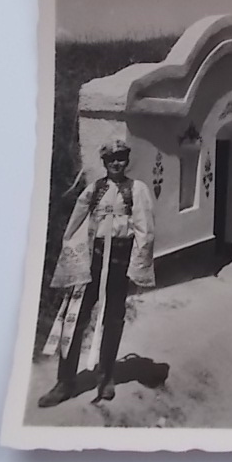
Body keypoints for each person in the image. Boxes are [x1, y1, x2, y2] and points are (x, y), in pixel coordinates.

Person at [38, 139, 155, 407]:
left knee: (113, 319)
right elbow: (75, 225)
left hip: (119, 263)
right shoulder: (94, 189)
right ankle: (65, 382)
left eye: (121, 157)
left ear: (127, 160)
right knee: (75, 318)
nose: (116, 163)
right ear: (104, 162)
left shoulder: (136, 190)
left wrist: (136, 267)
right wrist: (74, 259)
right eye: (111, 158)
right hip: (93, 261)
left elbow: (145, 231)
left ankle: (106, 377)